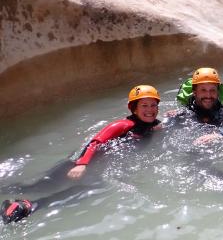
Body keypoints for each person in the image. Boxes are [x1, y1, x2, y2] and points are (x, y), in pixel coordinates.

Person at [2, 85, 163, 223]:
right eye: (144, 105)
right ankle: (11, 194)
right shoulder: (123, 124)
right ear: (134, 108)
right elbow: (95, 142)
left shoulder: (152, 125)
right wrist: (81, 164)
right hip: (78, 162)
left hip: (98, 167)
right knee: (40, 186)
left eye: (153, 105)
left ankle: (29, 206)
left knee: (93, 189)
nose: (150, 110)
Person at [171, 67, 223, 145]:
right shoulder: (183, 114)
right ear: (195, 92)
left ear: (218, 92)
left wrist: (220, 135)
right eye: (203, 90)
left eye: (212, 90)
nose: (208, 95)